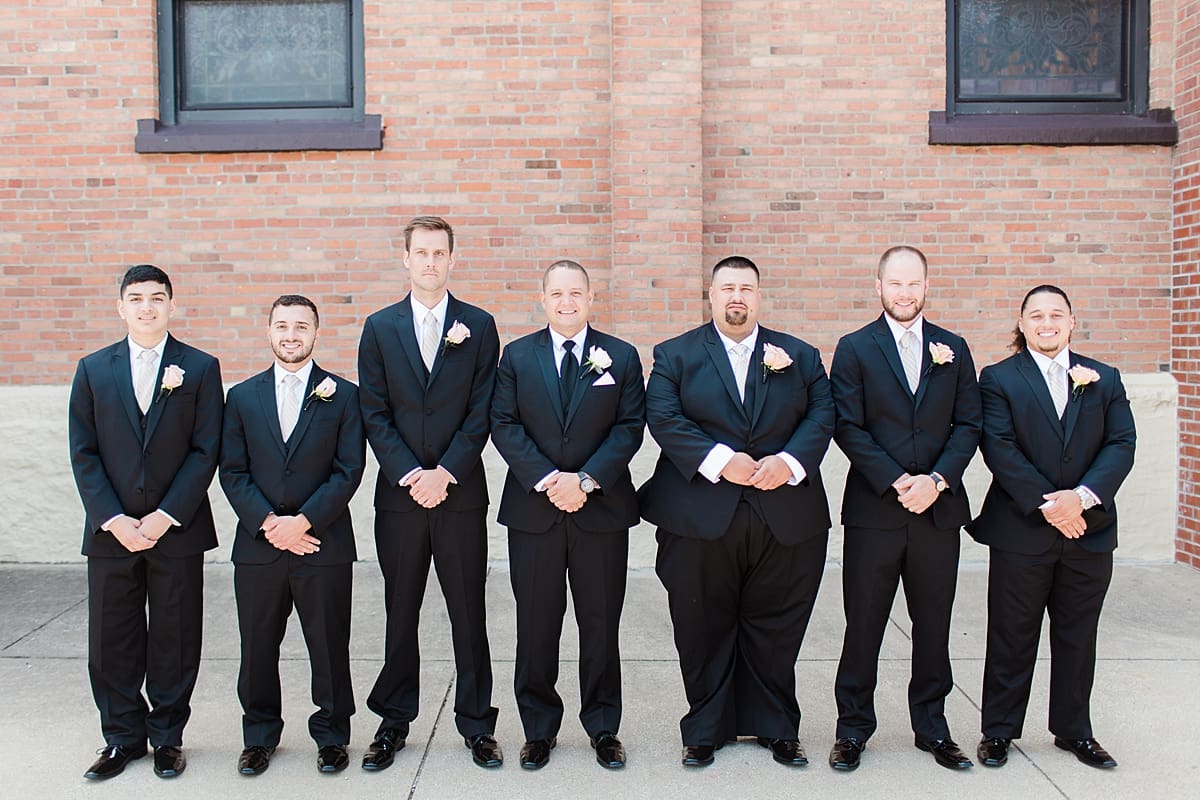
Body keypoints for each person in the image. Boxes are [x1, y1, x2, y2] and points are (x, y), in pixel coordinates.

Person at [639, 255, 833, 769]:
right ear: (711, 294)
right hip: (700, 515)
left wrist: (789, 462)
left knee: (776, 626)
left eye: (746, 288)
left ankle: (777, 727)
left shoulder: (800, 355)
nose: (736, 298)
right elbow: (662, 415)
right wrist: (720, 461)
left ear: (759, 296)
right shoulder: (675, 355)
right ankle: (706, 727)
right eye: (727, 288)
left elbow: (822, 413)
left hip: (785, 515)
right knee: (701, 624)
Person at [827, 246, 982, 772]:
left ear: (926, 286)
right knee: (864, 622)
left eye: (913, 283)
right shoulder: (854, 348)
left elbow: (969, 425)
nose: (905, 293)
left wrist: (936, 480)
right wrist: (898, 481)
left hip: (938, 513)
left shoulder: (953, 348)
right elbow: (848, 426)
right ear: (879, 287)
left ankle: (933, 727)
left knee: (933, 622)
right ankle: (852, 729)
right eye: (895, 283)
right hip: (876, 511)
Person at [968, 285, 1135, 770]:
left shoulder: (1104, 377)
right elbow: (998, 445)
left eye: (1056, 315)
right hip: (1023, 530)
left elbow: (1121, 443)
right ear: (1021, 324)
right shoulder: (998, 378)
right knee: (1010, 633)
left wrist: (1080, 499)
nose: (1047, 323)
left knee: (1078, 636)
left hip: (1089, 529)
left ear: (1071, 321)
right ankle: (998, 730)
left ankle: (1074, 731)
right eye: (1036, 315)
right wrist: (1050, 505)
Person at [357, 215, 504, 770]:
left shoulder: (479, 325)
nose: (430, 261)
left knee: (469, 610)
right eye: (421, 252)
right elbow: (374, 411)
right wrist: (410, 474)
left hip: (460, 494)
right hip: (399, 498)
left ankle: (476, 724)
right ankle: (394, 722)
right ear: (406, 258)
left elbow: (483, 408)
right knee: (401, 610)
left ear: (451, 258)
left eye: (439, 252)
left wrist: (446, 472)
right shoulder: (378, 327)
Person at [68, 264, 224, 781]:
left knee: (176, 636)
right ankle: (121, 737)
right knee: (112, 637)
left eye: (157, 298)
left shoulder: (199, 368)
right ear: (120, 306)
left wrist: (164, 515)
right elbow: (84, 452)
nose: (147, 307)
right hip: (112, 533)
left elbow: (206, 451)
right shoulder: (92, 369)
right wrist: (113, 518)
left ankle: (167, 737)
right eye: (136, 299)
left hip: (175, 529)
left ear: (171, 305)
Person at [491, 260, 645, 771]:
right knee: (536, 624)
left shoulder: (620, 356)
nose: (566, 301)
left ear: (591, 297)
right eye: (557, 293)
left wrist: (584, 480)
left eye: (576, 292)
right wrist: (548, 480)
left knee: (600, 623)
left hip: (599, 511)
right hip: (534, 511)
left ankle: (603, 727)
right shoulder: (516, 356)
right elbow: (505, 424)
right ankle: (538, 729)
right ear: (543, 298)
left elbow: (628, 428)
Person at [219, 295, 365, 776]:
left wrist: (303, 522)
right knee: (257, 645)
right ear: (268, 331)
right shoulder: (241, 397)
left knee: (328, 643)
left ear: (316, 333)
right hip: (259, 547)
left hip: (321, 544)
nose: (291, 334)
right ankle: (259, 735)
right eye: (282, 325)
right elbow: (233, 471)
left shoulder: (343, 395)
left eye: (301, 326)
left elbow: (348, 471)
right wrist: (269, 525)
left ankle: (332, 735)